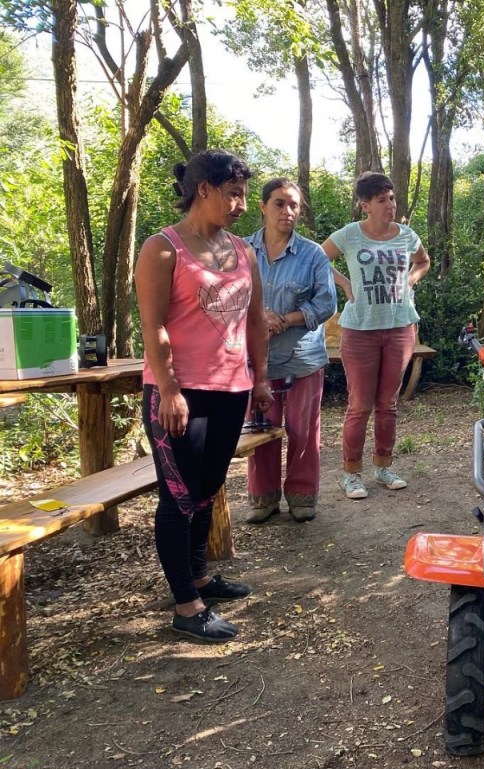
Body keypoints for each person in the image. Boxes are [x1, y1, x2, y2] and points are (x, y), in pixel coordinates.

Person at [135, 150, 273, 643]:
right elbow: (152, 326)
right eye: (233, 193)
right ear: (204, 190)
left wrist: (259, 379)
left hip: (231, 388)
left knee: (208, 490)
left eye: (243, 194)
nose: (241, 204)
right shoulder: (163, 249)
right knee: (179, 496)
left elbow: (255, 321)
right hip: (180, 393)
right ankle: (186, 606)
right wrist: (168, 389)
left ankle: (197, 577)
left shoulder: (244, 251)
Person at [321, 171, 431, 499]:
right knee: (359, 405)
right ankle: (351, 473)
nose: (390, 205)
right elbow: (317, 258)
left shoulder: (407, 235)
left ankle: (383, 467)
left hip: (399, 327)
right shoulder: (350, 235)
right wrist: (343, 282)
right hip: (359, 330)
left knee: (388, 404)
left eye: (392, 198)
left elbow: (423, 262)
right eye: (382, 200)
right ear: (365, 205)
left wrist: (411, 280)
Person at [245, 179, 337, 524]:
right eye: (280, 203)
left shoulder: (312, 253)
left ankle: (302, 497)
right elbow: (228, 299)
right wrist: (258, 316)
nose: (288, 211)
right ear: (263, 206)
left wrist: (286, 319)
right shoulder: (241, 250)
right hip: (257, 362)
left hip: (302, 359)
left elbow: (326, 303)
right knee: (261, 429)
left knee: (303, 430)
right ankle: (263, 499)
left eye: (294, 205)